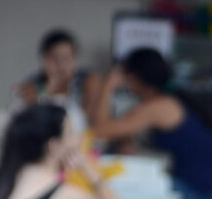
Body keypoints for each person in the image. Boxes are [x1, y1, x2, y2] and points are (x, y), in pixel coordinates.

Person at [90, 48, 212, 199]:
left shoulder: (159, 106)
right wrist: (126, 138)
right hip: (197, 180)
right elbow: (122, 127)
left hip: (198, 186)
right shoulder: (168, 98)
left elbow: (99, 129)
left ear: (133, 78)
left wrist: (107, 86)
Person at [0, 104, 117, 199]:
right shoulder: (67, 194)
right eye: (71, 133)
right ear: (53, 145)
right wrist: (94, 177)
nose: (78, 138)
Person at [15, 29, 100, 131]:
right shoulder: (33, 84)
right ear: (44, 60)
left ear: (75, 59)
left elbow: (90, 120)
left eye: (66, 58)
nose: (61, 65)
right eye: (55, 59)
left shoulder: (88, 80)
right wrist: (46, 92)